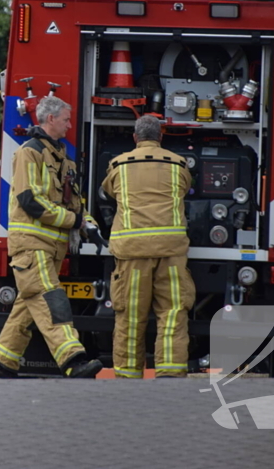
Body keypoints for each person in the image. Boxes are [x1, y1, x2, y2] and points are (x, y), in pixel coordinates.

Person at [0, 95, 104, 379]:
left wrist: (89, 225)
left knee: (26, 309)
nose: (69, 124)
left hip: (52, 249)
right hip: (32, 247)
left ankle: (3, 366)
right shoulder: (30, 152)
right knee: (50, 299)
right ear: (50, 119)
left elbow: (76, 204)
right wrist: (74, 221)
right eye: (66, 119)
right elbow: (30, 200)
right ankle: (73, 359)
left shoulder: (63, 158)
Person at [101, 114, 195, 378]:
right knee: (173, 314)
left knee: (130, 318)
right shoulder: (179, 164)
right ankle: (170, 375)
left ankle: (129, 379)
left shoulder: (118, 165)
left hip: (132, 253)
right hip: (171, 253)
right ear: (160, 137)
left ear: (135, 138)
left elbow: (109, 191)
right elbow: (186, 189)